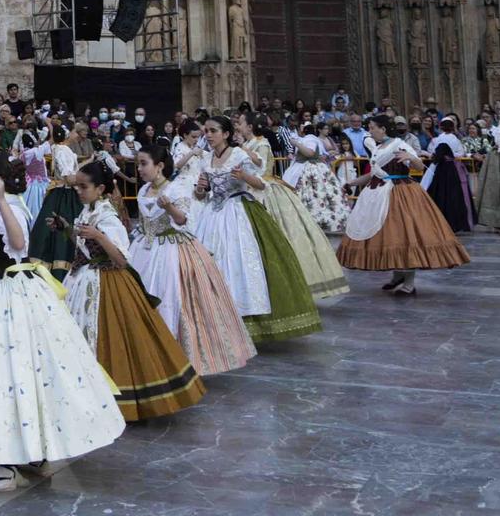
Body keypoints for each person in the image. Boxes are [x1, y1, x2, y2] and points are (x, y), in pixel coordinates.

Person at [0, 149, 124, 495]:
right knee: (19, 373)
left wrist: (0, 200)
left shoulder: (7, 207)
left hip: (8, 297)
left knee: (2, 372)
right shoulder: (2, 206)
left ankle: (8, 464)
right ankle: (31, 452)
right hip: (3, 292)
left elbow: (18, 242)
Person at [60, 161, 205, 421]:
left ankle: (112, 397)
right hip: (83, 279)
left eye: (84, 187)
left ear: (100, 189)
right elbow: (84, 246)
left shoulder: (107, 217)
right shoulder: (88, 211)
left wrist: (99, 236)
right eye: (77, 187)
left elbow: (120, 259)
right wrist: (67, 230)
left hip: (106, 282)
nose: (79, 191)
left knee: (112, 337)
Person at [190, 116, 320, 343]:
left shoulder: (239, 155)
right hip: (212, 216)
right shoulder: (206, 158)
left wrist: (244, 176)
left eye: (213, 131)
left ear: (226, 134)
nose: (208, 135)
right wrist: (201, 189)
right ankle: (215, 319)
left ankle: (243, 319)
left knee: (238, 263)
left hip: (237, 212)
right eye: (206, 131)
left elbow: (261, 184)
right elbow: (201, 195)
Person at [127, 146, 254, 379]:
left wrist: (169, 207)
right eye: (138, 164)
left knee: (172, 299)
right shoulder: (144, 189)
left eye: (144, 163)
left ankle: (174, 358)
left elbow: (182, 220)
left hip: (170, 250)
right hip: (144, 250)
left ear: (159, 166)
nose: (139, 169)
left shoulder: (175, 188)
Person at [337, 120, 471, 296]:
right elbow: (374, 173)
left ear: (383, 128)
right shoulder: (377, 148)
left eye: (372, 128)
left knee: (404, 234)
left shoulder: (399, 144)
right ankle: (397, 276)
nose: (369, 131)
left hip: (400, 192)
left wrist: (411, 157)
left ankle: (409, 282)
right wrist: (352, 183)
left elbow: (418, 166)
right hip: (378, 193)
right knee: (390, 236)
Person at [236, 113, 348, 304]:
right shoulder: (249, 143)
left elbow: (260, 170)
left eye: (240, 123)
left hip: (264, 192)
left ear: (250, 126)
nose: (238, 127)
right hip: (247, 190)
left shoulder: (262, 144)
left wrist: (242, 149)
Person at [26, 125, 85, 279]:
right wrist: (87, 179)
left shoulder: (63, 149)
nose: (78, 135)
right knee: (61, 230)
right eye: (75, 131)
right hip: (64, 195)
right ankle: (59, 270)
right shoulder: (62, 150)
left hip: (63, 193)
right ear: (68, 134)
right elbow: (69, 178)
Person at [281, 135, 350, 235]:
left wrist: (296, 144)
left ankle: (319, 221)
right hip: (306, 169)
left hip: (311, 170)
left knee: (318, 194)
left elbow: (310, 153)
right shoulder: (307, 139)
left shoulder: (310, 139)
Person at [419, 116, 477, 234]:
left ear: (440, 127)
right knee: (453, 195)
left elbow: (433, 153)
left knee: (439, 192)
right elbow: (460, 153)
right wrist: (451, 156)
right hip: (452, 168)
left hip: (439, 168)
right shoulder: (455, 139)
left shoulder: (438, 139)